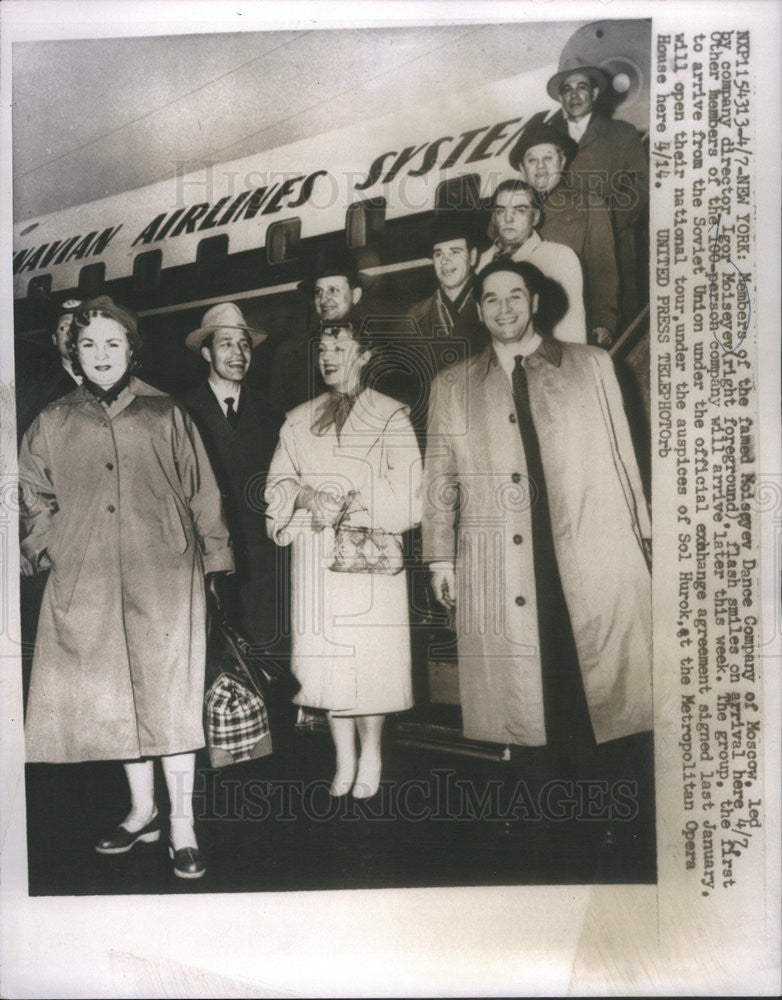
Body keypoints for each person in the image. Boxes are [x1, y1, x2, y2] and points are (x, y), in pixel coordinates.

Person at [18, 295, 233, 880]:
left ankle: (182, 824)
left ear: (132, 350)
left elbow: (203, 492)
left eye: (113, 343)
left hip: (165, 576)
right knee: (115, 695)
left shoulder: (166, 413)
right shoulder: (53, 421)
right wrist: (49, 545)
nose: (101, 354)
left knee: (171, 696)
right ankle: (142, 811)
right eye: (89, 344)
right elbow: (30, 495)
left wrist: (215, 563)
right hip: (87, 577)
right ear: (74, 353)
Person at [422, 260, 651, 759]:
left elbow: (622, 457)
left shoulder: (591, 363)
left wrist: (641, 535)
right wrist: (440, 558)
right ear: (480, 312)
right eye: (492, 299)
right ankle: (545, 802)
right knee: (526, 679)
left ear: (535, 302)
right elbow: (440, 480)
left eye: (515, 296)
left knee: (593, 668)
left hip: (585, 542)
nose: (505, 308)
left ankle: (605, 795)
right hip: (504, 557)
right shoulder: (452, 385)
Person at [265, 319, 422, 798]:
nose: (328, 356)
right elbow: (276, 485)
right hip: (316, 556)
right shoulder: (297, 418)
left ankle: (372, 754)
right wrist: (308, 498)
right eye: (323, 348)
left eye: (340, 346)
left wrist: (355, 494)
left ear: (365, 354)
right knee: (326, 662)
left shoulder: (392, 415)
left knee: (371, 661)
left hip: (368, 556)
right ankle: (342, 759)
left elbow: (413, 492)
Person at [182, 302, 286, 654]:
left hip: (263, 566)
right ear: (206, 352)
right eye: (226, 344)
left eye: (244, 344)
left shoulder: (274, 414)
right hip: (206, 563)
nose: (238, 353)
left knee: (266, 664)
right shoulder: (180, 413)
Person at [546, 58, 649, 327]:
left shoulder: (622, 133)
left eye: (582, 86)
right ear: (561, 97)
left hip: (613, 247)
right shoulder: (547, 139)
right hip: (561, 247)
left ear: (594, 93)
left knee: (614, 323)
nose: (574, 94)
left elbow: (640, 186)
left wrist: (603, 222)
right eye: (567, 89)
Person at [508, 121, 619, 347]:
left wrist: (603, 322)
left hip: (571, 326)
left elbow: (603, 269)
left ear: (563, 160)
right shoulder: (506, 212)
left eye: (548, 158)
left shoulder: (590, 205)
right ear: (522, 168)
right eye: (532, 159)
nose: (540, 166)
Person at [477, 179, 586, 343]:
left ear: (535, 217)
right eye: (500, 211)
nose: (508, 218)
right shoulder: (482, 262)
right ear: (493, 218)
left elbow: (571, 330)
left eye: (519, 210)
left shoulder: (559, 257)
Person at [267, 249, 363, 414]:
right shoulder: (288, 354)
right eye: (319, 292)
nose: (324, 299)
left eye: (333, 290)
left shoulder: (376, 350)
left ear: (355, 295)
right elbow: (276, 417)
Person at [16, 298, 82, 440]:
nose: (71, 333)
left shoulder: (110, 381)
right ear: (54, 339)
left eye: (78, 326)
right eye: (63, 328)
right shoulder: (37, 388)